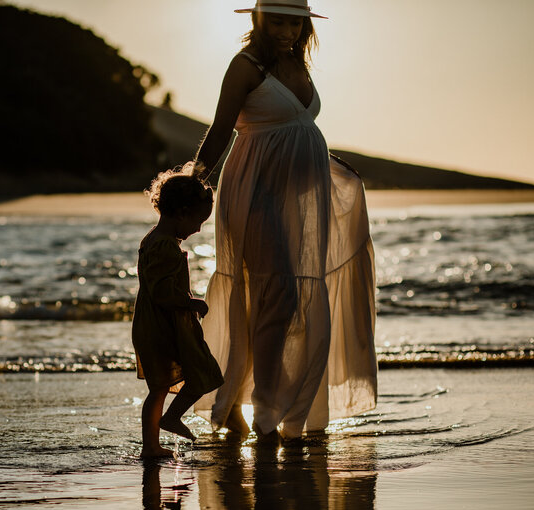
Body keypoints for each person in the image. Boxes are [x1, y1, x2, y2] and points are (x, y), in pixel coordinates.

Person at [192, 1, 378, 440]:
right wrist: (193, 179)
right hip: (255, 192)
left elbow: (293, 127)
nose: (285, 30)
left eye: (294, 21)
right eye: (276, 20)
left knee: (278, 300)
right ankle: (265, 413)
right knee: (279, 299)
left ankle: (239, 405)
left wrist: (329, 163)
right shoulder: (245, 66)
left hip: (299, 202)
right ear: (259, 20)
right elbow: (222, 129)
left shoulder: (298, 62)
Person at [132, 162, 225, 457]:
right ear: (182, 213)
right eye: (198, 222)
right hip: (163, 327)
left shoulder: (156, 239)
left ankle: (154, 442)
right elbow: (161, 292)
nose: (198, 229)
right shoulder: (164, 247)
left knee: (167, 384)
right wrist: (191, 302)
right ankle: (165, 426)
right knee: (197, 374)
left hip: (161, 324)